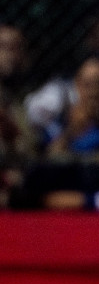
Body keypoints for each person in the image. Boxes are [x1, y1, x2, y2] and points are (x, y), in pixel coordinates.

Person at [26, 53, 99, 211]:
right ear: (77, 85)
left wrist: (86, 202)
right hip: (57, 221)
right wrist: (70, 135)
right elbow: (34, 184)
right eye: (88, 84)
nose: (94, 93)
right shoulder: (56, 129)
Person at [0, 24, 37, 208]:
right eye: (4, 47)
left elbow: (28, 152)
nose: (11, 55)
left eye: (17, 48)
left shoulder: (22, 100)